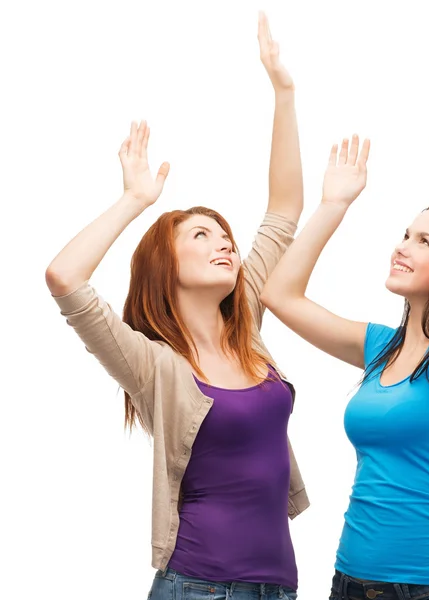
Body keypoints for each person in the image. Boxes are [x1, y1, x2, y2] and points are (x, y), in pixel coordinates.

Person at [45, 13, 307, 600]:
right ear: (167, 268)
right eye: (200, 235)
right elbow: (65, 278)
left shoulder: (248, 327)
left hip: (278, 587)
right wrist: (135, 200)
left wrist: (283, 91)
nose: (224, 242)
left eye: (224, 234)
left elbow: (285, 207)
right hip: (197, 588)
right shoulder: (152, 364)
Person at [260, 99, 429, 600]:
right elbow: (278, 295)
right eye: (404, 235)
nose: (402, 247)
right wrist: (333, 206)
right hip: (350, 583)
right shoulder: (379, 348)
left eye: (425, 241)